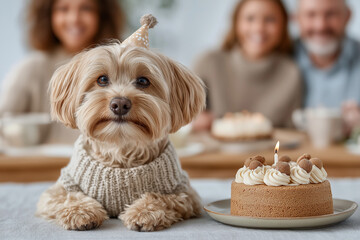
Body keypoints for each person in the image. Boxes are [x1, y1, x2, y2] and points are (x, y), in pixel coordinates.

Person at [0, 0, 125, 143]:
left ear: (102, 15)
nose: (74, 19)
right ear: (48, 16)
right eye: (63, 9)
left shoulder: (120, 66)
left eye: (86, 8)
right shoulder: (31, 68)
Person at [192, 0, 302, 131]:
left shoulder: (291, 73)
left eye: (270, 20)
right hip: (216, 150)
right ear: (236, 23)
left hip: (268, 150)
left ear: (283, 25)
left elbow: (292, 131)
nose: (259, 27)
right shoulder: (209, 63)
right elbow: (184, 117)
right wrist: (195, 120)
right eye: (250, 19)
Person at [295, 0, 360, 131]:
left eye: (331, 14)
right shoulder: (283, 56)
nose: (320, 26)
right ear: (296, 18)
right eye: (311, 15)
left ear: (347, 16)